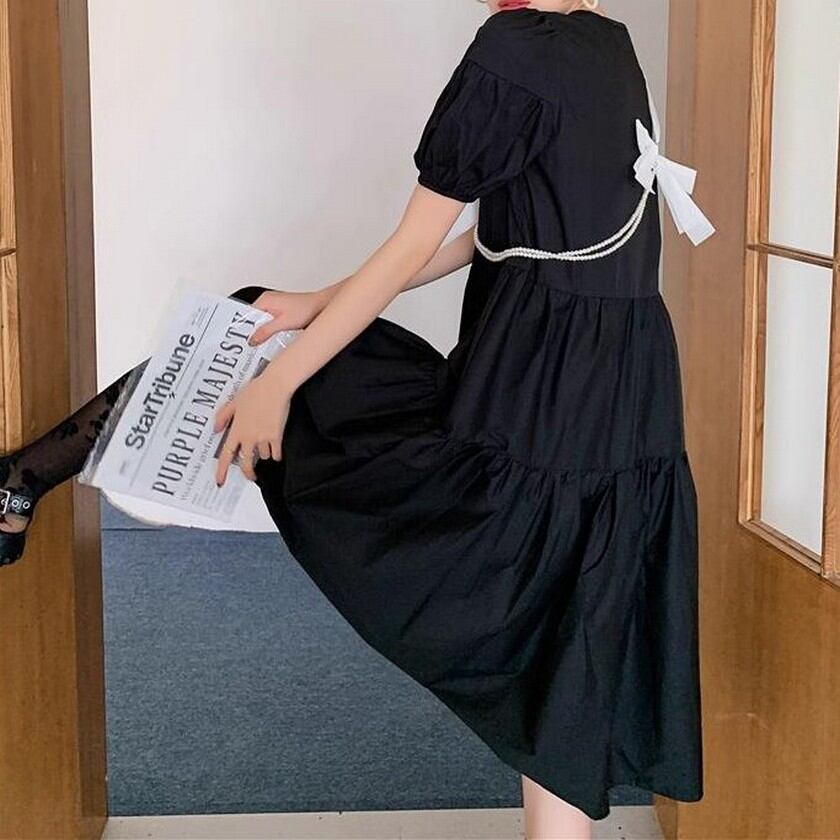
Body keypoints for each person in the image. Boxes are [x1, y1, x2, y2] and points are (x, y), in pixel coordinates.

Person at [0, 0, 711, 836]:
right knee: (563, 610)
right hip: (622, 384)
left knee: (276, 366)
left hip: (538, 390)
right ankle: (27, 477)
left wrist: (282, 378)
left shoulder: (515, 45)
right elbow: (497, 233)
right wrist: (316, 302)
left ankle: (25, 476)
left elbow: (416, 243)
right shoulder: (608, 41)